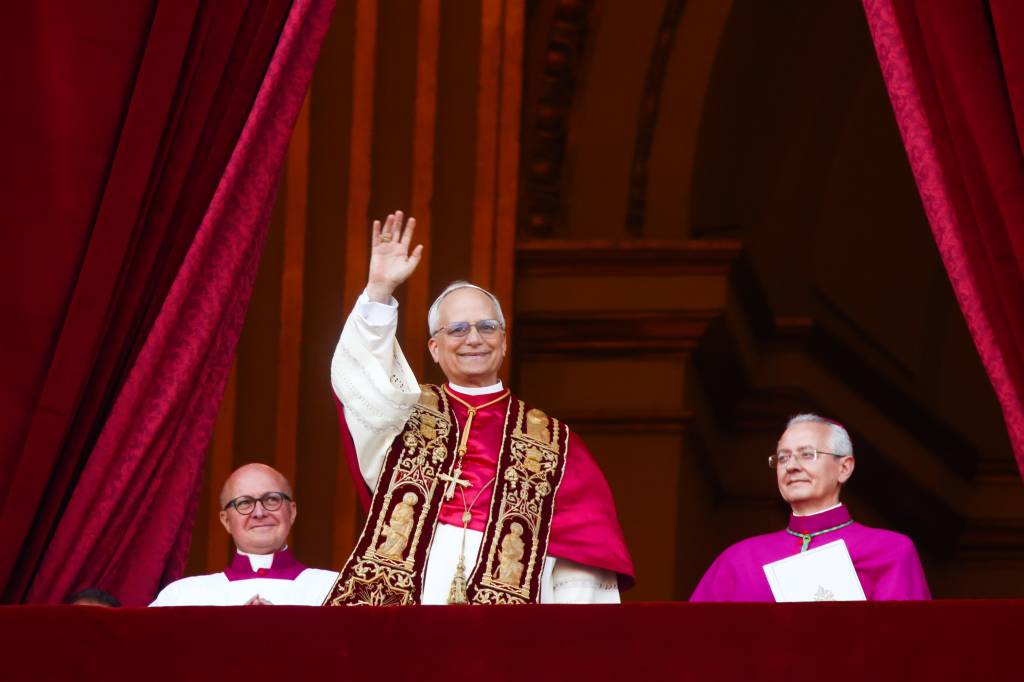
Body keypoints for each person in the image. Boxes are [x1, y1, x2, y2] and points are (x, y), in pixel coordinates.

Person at [325, 212, 633, 605]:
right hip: (405, 610)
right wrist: (379, 292)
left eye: (487, 327)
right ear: (434, 349)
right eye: (457, 329)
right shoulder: (403, 412)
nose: (473, 339)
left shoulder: (556, 442)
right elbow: (359, 382)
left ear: (504, 342)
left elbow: (585, 554)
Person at [690, 413, 931, 601]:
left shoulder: (890, 552)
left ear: (844, 468)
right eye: (783, 457)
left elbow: (908, 647)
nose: (791, 466)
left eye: (807, 455)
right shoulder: (738, 560)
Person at [150, 463, 337, 606]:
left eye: (272, 499)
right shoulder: (183, 596)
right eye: (245, 503)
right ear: (226, 520)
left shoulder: (337, 589)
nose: (259, 513)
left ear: (292, 511)